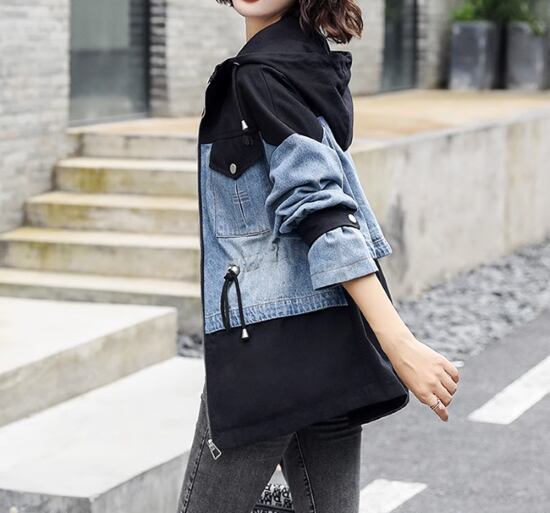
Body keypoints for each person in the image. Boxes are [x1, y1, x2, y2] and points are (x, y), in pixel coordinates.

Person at [177, 1, 460, 511]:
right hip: (332, 341)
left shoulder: (258, 77)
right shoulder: (310, 65)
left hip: (266, 357)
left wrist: (399, 343)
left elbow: (321, 208)